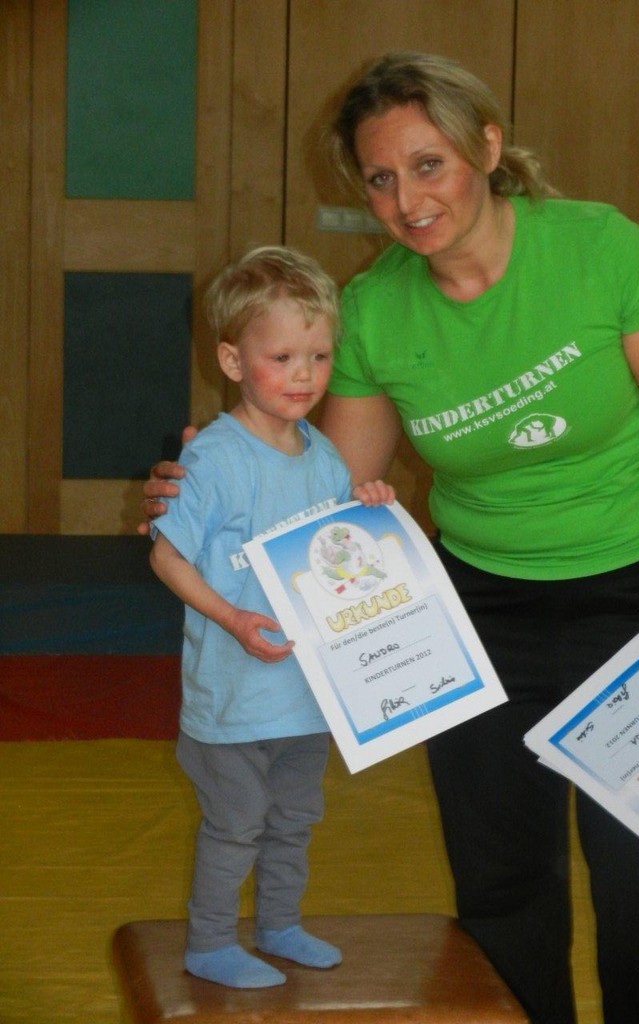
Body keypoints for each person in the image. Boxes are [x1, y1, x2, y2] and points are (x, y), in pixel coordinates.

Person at [141, 53, 639, 1024]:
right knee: (503, 894)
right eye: (380, 178)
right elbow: (318, 502)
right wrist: (209, 480)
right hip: (479, 613)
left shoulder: (600, 249)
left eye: (429, 165)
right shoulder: (375, 310)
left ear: (486, 148)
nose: (407, 201)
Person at [148, 245, 394, 989]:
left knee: (294, 820)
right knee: (236, 824)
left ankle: (280, 923)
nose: (304, 375)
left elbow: (337, 557)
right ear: (232, 361)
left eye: (319, 357)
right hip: (232, 700)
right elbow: (166, 556)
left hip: (306, 693)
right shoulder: (217, 459)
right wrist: (230, 618)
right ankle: (209, 942)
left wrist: (369, 508)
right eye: (281, 357)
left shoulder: (324, 457)